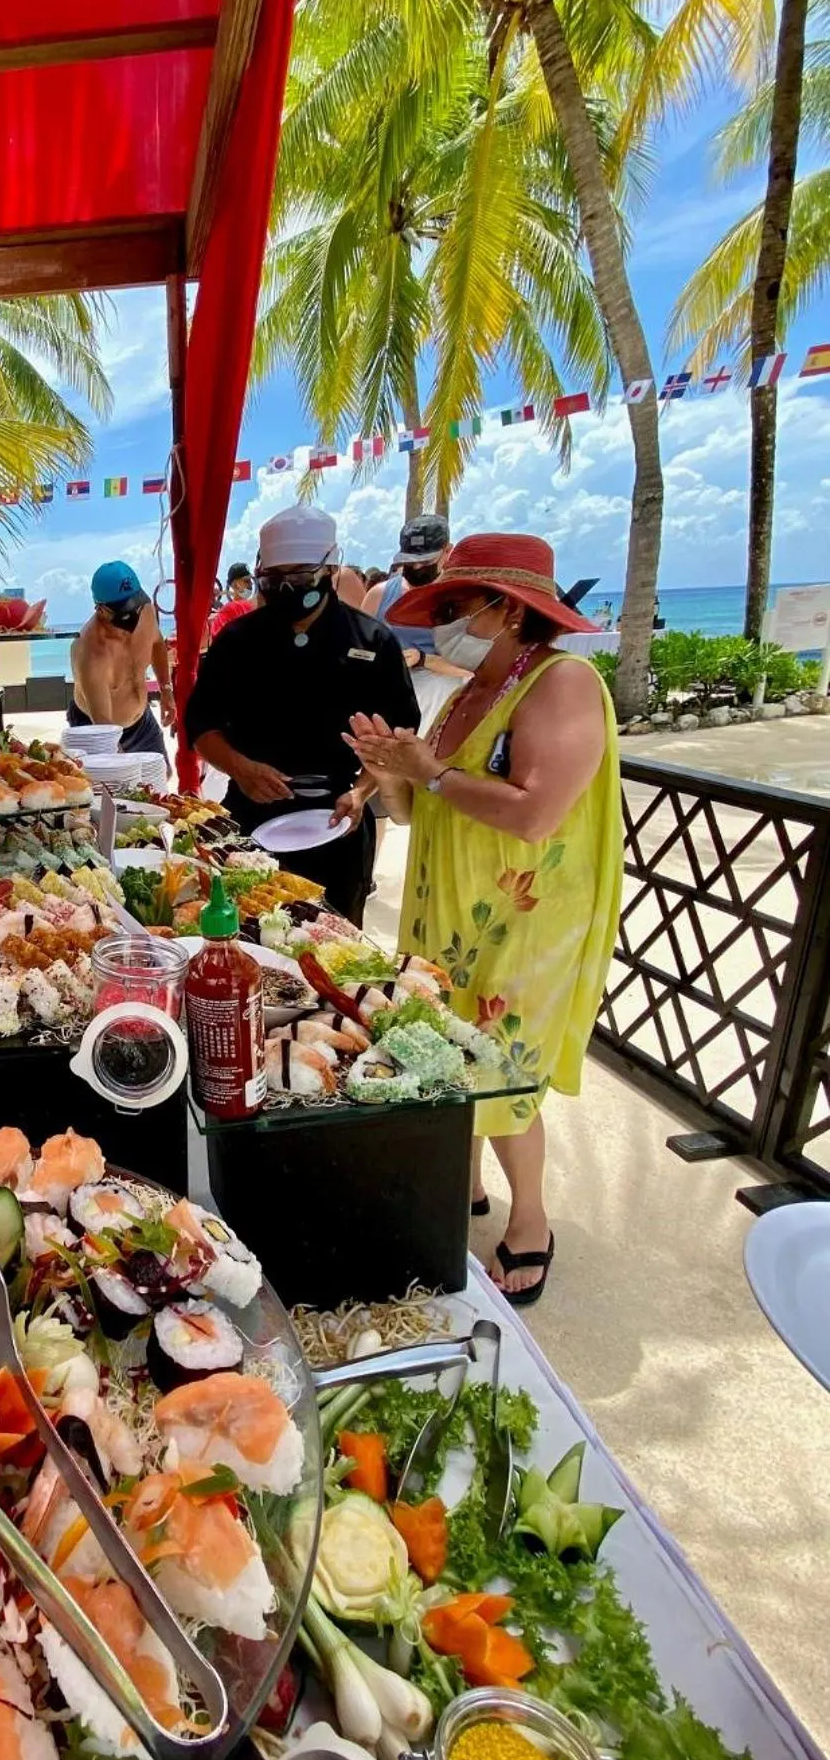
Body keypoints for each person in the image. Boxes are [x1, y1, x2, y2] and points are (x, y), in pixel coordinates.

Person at [345, 532, 623, 1307]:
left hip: (522, 914)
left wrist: (427, 772)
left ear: (506, 610)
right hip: (450, 912)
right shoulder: (469, 693)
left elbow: (537, 814)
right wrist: (389, 776)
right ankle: (460, 1186)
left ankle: (530, 1220)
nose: (444, 622)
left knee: (503, 1069)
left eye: (457, 605)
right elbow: (417, 808)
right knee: (445, 1049)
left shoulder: (561, 683)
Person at [185, 505, 417, 923]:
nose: (286, 589)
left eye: (299, 577)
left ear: (330, 569)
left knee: (338, 942)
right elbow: (201, 725)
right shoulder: (238, 641)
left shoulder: (372, 642)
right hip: (249, 814)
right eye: (274, 580)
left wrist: (362, 792)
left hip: (337, 816)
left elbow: (398, 737)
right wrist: (240, 767)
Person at [364, 514, 466, 728]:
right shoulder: (379, 595)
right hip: (385, 706)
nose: (417, 568)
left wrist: (422, 660)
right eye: (410, 561)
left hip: (439, 707)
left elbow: (473, 669)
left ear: (448, 552)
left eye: (426, 561)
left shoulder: (463, 600)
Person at [68, 560, 175, 760]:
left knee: (162, 774)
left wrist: (166, 690)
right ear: (101, 609)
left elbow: (157, 644)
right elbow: (103, 724)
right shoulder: (90, 651)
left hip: (140, 719)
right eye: (125, 612)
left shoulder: (146, 612)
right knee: (110, 788)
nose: (135, 615)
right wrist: (120, 763)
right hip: (95, 727)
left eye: (136, 605)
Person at [207, 562, 256, 644]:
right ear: (235, 585)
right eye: (246, 581)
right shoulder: (235, 608)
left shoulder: (228, 610)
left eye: (251, 580)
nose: (251, 584)